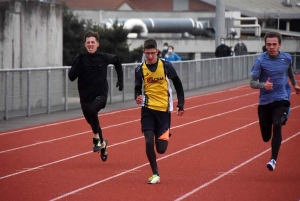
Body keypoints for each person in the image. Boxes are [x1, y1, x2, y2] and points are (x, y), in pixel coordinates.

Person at [134, 38, 185, 184]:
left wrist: (180, 104)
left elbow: (179, 86)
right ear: (143, 52)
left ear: (157, 52)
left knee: (161, 149)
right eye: (147, 53)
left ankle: (164, 133)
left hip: (163, 112)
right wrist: (137, 97)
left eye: (152, 53)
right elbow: (137, 88)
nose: (150, 56)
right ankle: (155, 173)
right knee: (149, 142)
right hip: (148, 110)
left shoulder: (167, 66)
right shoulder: (140, 69)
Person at [68, 30, 124, 162]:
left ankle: (96, 140)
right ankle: (103, 143)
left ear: (97, 44)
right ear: (85, 44)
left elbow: (116, 60)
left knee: (93, 111)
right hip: (85, 97)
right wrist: (78, 63)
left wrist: (120, 80)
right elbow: (71, 77)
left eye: (93, 42)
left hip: (101, 95)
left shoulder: (103, 57)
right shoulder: (80, 58)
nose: (90, 44)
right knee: (93, 121)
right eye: (88, 42)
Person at [250, 31, 300, 171]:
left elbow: (290, 70)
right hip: (265, 102)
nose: (271, 47)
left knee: (277, 124)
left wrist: (294, 84)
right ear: (265, 45)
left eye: (274, 44)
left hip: (281, 98)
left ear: (280, 45)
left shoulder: (287, 58)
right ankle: (276, 120)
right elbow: (252, 83)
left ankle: (273, 160)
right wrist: (263, 85)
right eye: (268, 44)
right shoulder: (260, 61)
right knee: (266, 137)